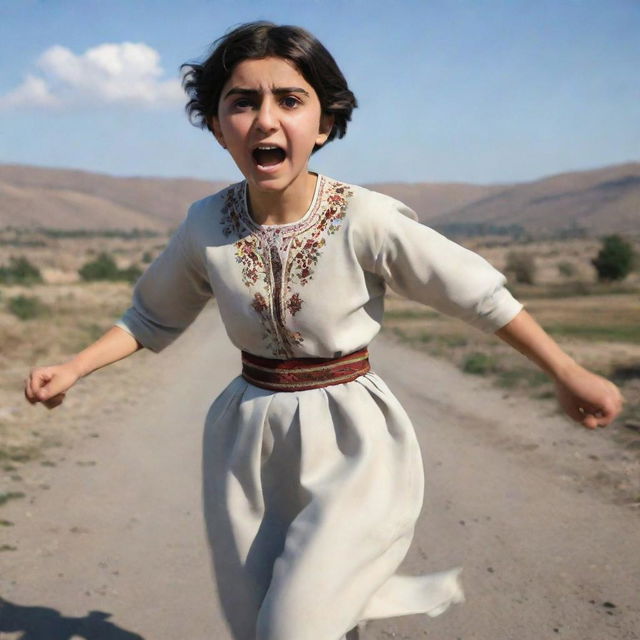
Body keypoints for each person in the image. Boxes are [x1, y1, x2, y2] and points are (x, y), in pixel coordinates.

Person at [24, 21, 623, 640]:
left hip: (353, 439)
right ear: (215, 124)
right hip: (246, 442)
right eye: (241, 101)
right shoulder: (205, 224)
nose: (264, 119)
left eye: (289, 99)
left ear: (325, 123)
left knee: (296, 625)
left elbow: (477, 295)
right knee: (266, 616)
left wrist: (566, 370)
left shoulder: (364, 217)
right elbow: (150, 315)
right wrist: (73, 368)